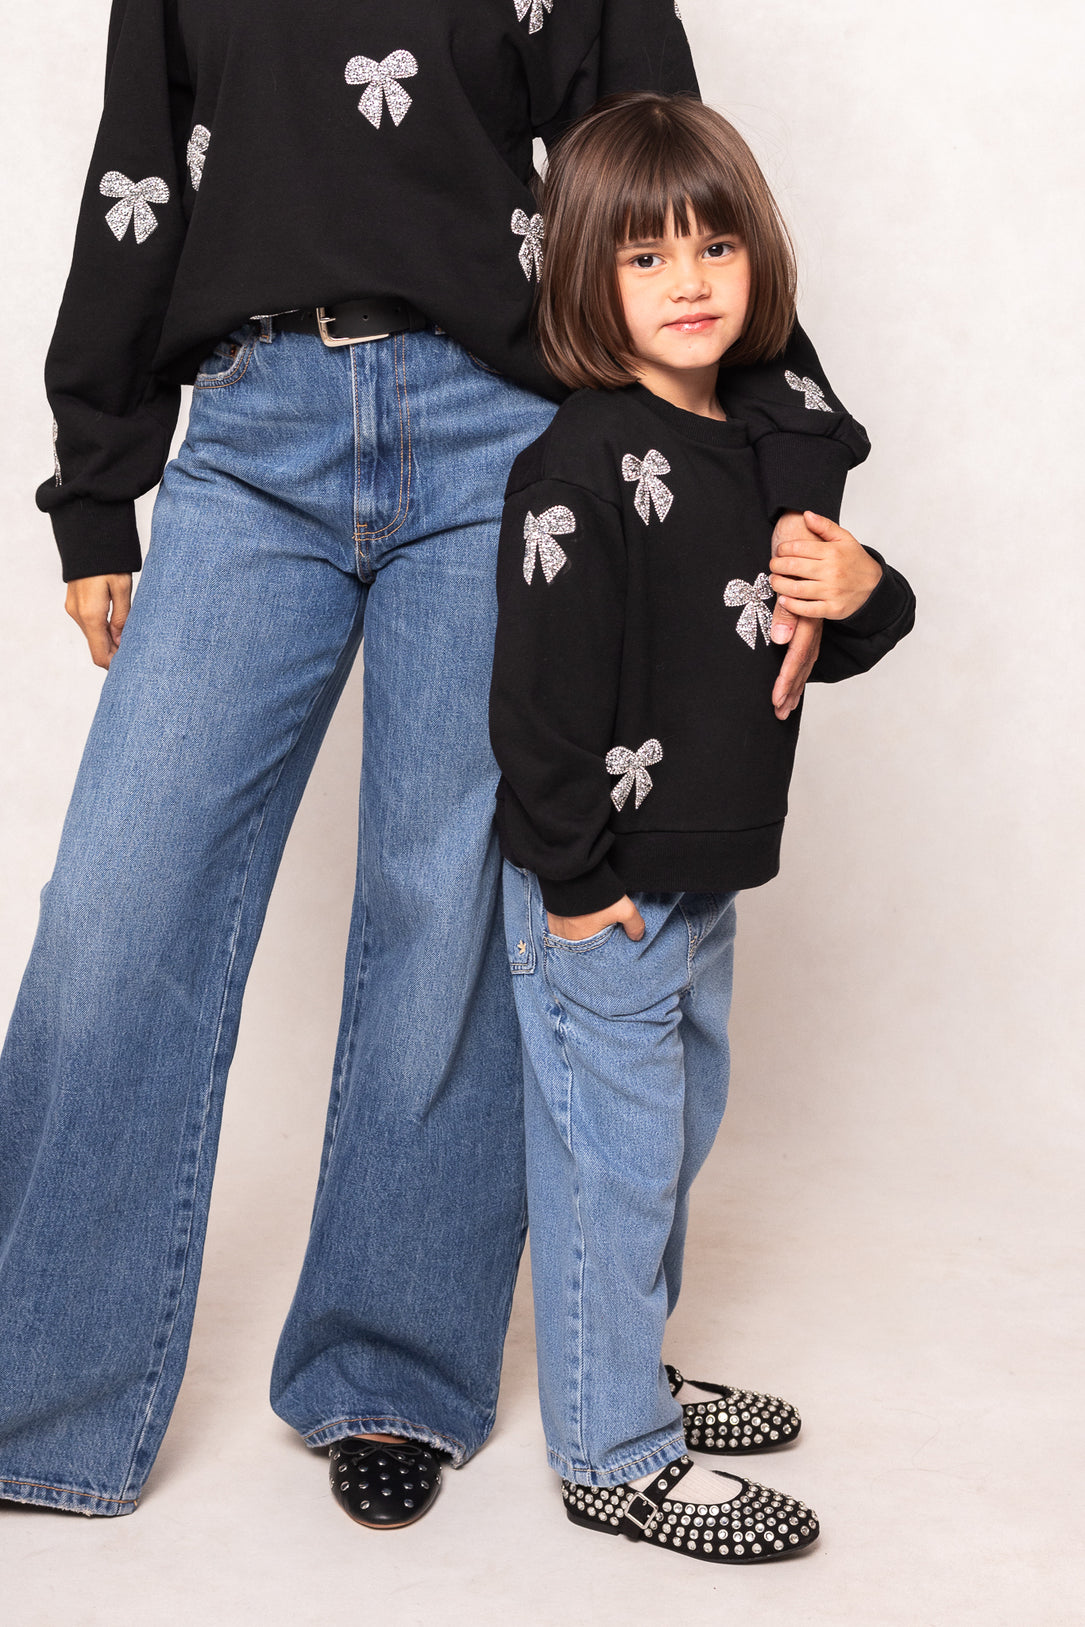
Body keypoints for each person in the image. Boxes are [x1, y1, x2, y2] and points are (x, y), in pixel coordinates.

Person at [1, 3, 869, 1527]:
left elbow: (667, 183)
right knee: (118, 905)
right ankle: (35, 1397)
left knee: (445, 911)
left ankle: (389, 1373)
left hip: (503, 441)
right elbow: (136, 173)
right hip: (250, 433)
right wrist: (97, 487)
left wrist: (790, 481)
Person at [489, 92, 916, 1566]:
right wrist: (570, 878)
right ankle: (612, 1453)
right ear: (586, 278)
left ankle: (624, 1369)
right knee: (609, 1167)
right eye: (646, 257)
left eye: (715, 247)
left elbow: (807, 633)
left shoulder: (757, 444)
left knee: (666, 1146)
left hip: (703, 875)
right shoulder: (576, 466)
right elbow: (537, 703)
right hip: (601, 886)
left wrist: (869, 592)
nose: (688, 281)